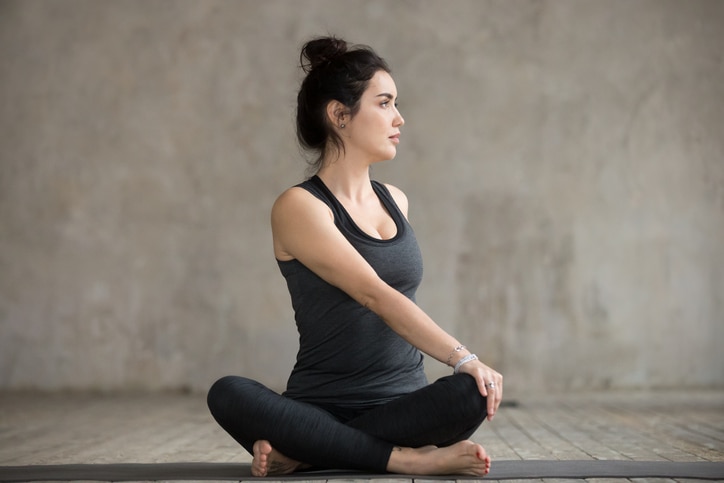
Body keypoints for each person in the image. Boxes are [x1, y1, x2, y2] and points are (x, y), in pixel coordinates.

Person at [207, 35, 503, 477]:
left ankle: (314, 452)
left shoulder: (396, 201)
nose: (399, 118)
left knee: (474, 392)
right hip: (319, 405)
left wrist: (469, 372)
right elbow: (375, 295)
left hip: (402, 407)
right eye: (384, 103)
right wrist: (462, 355)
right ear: (339, 115)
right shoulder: (299, 207)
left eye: (396, 104)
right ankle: (403, 458)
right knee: (227, 392)